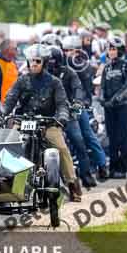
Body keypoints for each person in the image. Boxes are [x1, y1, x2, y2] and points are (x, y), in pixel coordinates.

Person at [2, 44, 82, 202]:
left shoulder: (55, 82)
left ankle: (72, 184)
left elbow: (61, 104)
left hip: (47, 123)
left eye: (37, 61)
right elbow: (10, 100)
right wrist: (1, 114)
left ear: (44, 62)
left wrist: (62, 116)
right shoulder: (22, 80)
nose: (33, 64)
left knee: (61, 147)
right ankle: (5, 183)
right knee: (9, 143)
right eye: (31, 61)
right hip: (23, 120)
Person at [47, 47, 97, 188]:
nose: (52, 65)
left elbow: (77, 88)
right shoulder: (42, 74)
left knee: (78, 141)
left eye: (54, 62)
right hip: (47, 114)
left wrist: (77, 101)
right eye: (49, 62)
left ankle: (86, 174)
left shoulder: (69, 73)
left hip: (67, 112)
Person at [100, 35, 127, 179]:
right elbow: (102, 86)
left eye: (114, 49)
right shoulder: (106, 67)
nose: (111, 52)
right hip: (108, 108)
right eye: (109, 49)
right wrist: (102, 98)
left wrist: (116, 99)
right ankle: (113, 167)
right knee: (111, 137)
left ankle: (123, 167)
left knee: (122, 137)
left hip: (122, 106)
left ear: (120, 50)